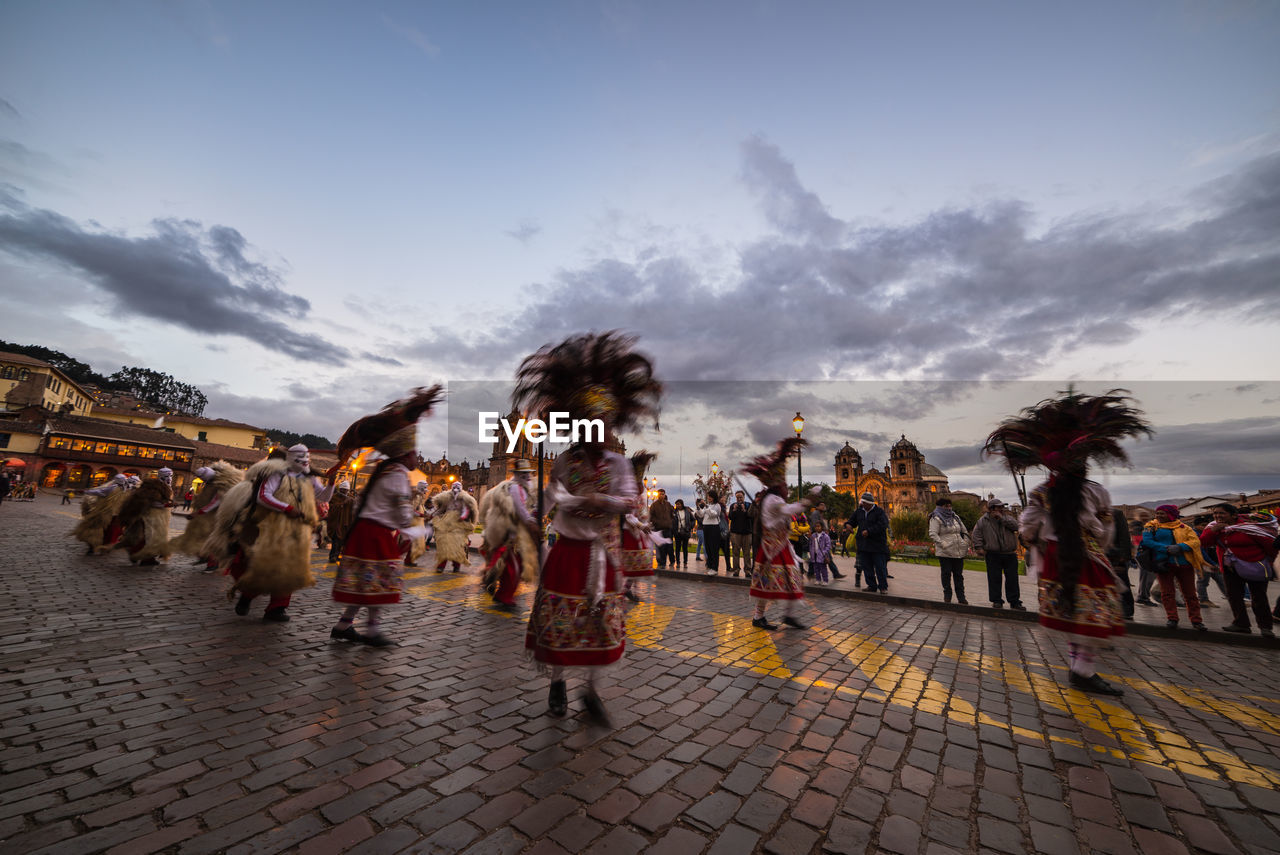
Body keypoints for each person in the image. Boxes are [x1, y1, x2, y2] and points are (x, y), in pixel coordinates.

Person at [514, 330, 660, 725]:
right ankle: (558, 683)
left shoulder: (618, 465)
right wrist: (533, 516)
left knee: (599, 623)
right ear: (582, 427)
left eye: (605, 424)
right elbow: (549, 495)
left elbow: (629, 499)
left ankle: (592, 690)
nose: (601, 432)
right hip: (568, 550)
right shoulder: (564, 461)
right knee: (562, 619)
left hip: (604, 552)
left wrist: (600, 502)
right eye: (593, 425)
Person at [986, 388, 1152, 696]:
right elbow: (1103, 529)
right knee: (1090, 615)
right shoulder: (1095, 491)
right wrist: (1096, 541)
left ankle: (1081, 668)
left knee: (1075, 613)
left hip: (1054, 559)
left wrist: (1034, 540)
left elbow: (1028, 525)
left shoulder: (1041, 492)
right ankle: (1083, 671)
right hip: (1085, 558)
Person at [331, 420, 432, 647]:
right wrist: (417, 528)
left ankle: (343, 625)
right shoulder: (398, 476)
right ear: (405, 456)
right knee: (379, 583)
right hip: (376, 533)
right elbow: (403, 513)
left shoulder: (384, 471)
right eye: (414, 453)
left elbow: (361, 503)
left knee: (364, 583)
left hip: (365, 530)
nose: (418, 457)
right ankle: (372, 630)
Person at [206, 445, 334, 622]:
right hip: (268, 527)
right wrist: (287, 508)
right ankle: (247, 596)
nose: (305, 461)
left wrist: (332, 483)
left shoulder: (308, 477)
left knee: (290, 569)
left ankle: (277, 607)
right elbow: (263, 496)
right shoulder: (276, 475)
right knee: (264, 565)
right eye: (300, 457)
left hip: (296, 530)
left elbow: (324, 496)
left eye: (307, 458)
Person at [744, 438, 812, 629]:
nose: (786, 486)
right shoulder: (773, 500)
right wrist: (809, 499)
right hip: (771, 548)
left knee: (792, 581)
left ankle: (788, 615)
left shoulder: (773, 498)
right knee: (768, 584)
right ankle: (758, 617)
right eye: (783, 483)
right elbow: (790, 510)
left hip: (781, 546)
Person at [1199, 503, 1279, 637]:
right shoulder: (1214, 527)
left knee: (1259, 597)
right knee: (1234, 596)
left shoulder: (1250, 527)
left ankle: (1265, 627)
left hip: (1254, 566)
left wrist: (1269, 564)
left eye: (1222, 513)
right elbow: (1203, 543)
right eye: (1215, 513)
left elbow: (1270, 548)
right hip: (1230, 567)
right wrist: (1213, 531)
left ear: (1233, 515)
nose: (1218, 516)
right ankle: (1241, 624)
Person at [479, 459, 539, 609]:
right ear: (517, 475)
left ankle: (500, 589)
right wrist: (530, 521)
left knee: (514, 566)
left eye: (528, 473)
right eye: (523, 474)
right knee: (513, 568)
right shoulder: (514, 488)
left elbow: (529, 506)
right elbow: (519, 509)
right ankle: (503, 594)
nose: (527, 476)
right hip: (511, 532)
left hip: (517, 533)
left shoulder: (525, 488)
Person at [1140, 505, 1206, 630]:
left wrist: (1181, 547)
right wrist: (1165, 548)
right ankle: (1172, 618)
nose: (1158, 516)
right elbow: (1147, 541)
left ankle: (1196, 620)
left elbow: (1195, 541)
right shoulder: (1150, 527)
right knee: (1167, 593)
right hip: (1163, 564)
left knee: (1190, 594)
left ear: (1171, 515)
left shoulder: (1185, 527)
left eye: (1162, 513)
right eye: (1157, 513)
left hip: (1185, 564)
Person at [168, 463, 244, 570]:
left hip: (219, 517)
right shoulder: (213, 482)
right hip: (210, 517)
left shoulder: (222, 485)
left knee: (215, 540)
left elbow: (216, 502)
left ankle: (213, 563)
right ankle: (205, 557)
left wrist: (198, 512)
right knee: (203, 536)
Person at [620, 452, 660, 602]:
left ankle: (628, 590)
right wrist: (641, 525)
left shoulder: (639, 486)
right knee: (630, 565)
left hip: (639, 531)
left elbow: (640, 508)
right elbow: (628, 515)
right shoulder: (628, 487)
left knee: (637, 566)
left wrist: (645, 523)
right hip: (629, 531)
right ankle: (622, 590)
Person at [114, 467, 174, 566]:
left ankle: (148, 557)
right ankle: (143, 557)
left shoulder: (165, 486)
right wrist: (166, 505)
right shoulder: (153, 487)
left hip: (160, 517)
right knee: (148, 537)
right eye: (168, 475)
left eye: (171, 475)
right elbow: (150, 502)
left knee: (155, 537)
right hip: (150, 516)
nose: (170, 478)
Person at [971, 500, 1025, 610]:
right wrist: (979, 547)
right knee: (994, 578)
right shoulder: (983, 521)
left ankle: (1014, 602)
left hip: (1009, 553)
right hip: (993, 554)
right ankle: (996, 601)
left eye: (1002, 507)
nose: (1001, 509)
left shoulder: (1008, 517)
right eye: (998, 507)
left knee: (1012, 579)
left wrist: (1002, 518)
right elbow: (977, 534)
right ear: (991, 509)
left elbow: (1016, 527)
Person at [72, 474, 130, 554]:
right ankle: (106, 546)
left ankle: (92, 546)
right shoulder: (127, 489)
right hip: (117, 515)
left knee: (94, 528)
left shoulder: (112, 488)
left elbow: (98, 492)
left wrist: (83, 491)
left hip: (105, 513)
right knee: (111, 531)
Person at [928, 497, 969, 604]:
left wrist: (965, 542)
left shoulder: (955, 517)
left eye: (950, 505)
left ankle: (961, 597)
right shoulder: (935, 518)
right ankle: (947, 595)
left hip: (958, 550)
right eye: (946, 506)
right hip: (945, 551)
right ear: (940, 507)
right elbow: (933, 533)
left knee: (958, 575)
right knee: (946, 574)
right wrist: (943, 544)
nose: (949, 508)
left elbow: (964, 531)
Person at [849, 492, 889, 593]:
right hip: (863, 545)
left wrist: (869, 531)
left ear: (870, 503)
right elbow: (852, 521)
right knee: (867, 567)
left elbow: (883, 524)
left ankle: (883, 587)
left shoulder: (879, 512)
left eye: (865, 503)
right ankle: (871, 586)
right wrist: (848, 525)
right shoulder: (859, 511)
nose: (863, 505)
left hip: (877, 545)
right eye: (862, 503)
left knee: (880, 567)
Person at [432, 482, 477, 573]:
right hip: (446, 524)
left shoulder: (464, 499)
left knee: (457, 546)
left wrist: (462, 517)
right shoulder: (447, 499)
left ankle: (456, 566)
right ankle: (441, 566)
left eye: (457, 488)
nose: (455, 490)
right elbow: (441, 509)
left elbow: (466, 510)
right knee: (444, 545)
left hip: (458, 525)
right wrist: (433, 515)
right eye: (454, 488)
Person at [1107, 506, 1136, 619]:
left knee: (1122, 581)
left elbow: (1124, 535)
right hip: (1099, 553)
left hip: (1116, 555)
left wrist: (1124, 556)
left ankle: (1127, 610)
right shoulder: (1089, 512)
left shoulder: (1116, 513)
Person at [696, 491, 725, 576]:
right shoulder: (708, 506)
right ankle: (710, 565)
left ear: (714, 497)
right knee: (708, 547)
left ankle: (715, 568)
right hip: (706, 527)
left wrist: (706, 506)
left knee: (713, 548)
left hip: (714, 528)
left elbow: (713, 515)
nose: (708, 498)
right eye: (708, 496)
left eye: (710, 497)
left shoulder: (717, 505)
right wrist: (698, 507)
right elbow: (701, 515)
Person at [325, 481, 355, 563]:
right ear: (340, 489)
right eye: (343, 490)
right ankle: (332, 556)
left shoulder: (350, 497)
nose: (344, 492)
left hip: (345, 522)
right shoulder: (334, 497)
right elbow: (331, 508)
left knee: (341, 540)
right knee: (335, 539)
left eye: (346, 490)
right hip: (336, 522)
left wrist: (353, 501)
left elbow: (354, 508)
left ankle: (337, 555)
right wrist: (342, 504)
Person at [728, 490, 753, 577]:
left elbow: (750, 516)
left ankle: (747, 570)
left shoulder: (748, 505)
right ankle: (736, 570)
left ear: (744, 497)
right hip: (735, 533)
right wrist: (734, 510)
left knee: (746, 553)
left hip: (747, 533)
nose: (739, 499)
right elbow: (730, 517)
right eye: (737, 497)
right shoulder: (732, 506)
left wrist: (744, 510)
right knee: (735, 552)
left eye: (740, 497)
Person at [648, 488, 675, 569]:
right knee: (661, 547)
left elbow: (672, 514)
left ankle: (671, 561)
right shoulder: (654, 505)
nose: (661, 495)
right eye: (660, 494)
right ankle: (662, 563)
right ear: (657, 495)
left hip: (668, 528)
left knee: (669, 546)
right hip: (659, 528)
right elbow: (650, 516)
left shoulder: (668, 504)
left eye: (663, 494)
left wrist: (670, 521)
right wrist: (656, 522)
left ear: (665, 495)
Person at [671, 499, 694, 569]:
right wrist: (673, 530)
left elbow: (693, 519)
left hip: (685, 532)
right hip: (677, 533)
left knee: (685, 548)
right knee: (677, 549)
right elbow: (671, 521)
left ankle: (685, 563)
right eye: (676, 504)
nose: (677, 505)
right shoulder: (674, 512)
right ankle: (678, 562)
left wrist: (690, 527)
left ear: (682, 504)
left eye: (679, 504)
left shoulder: (687, 511)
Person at [809, 520, 833, 586]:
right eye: (816, 526)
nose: (817, 528)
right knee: (816, 568)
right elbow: (811, 544)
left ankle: (825, 580)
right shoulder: (813, 536)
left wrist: (825, 552)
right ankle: (818, 580)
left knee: (823, 568)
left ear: (822, 527)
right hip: (815, 554)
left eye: (819, 526)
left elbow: (828, 545)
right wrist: (811, 552)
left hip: (822, 555)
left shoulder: (825, 536)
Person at [789, 511, 811, 579]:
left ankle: (800, 573)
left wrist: (798, 529)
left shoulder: (803, 518)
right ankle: (792, 574)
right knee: (792, 558)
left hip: (800, 541)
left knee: (799, 557)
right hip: (792, 541)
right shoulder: (791, 517)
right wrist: (801, 532)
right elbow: (792, 530)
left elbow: (808, 527)